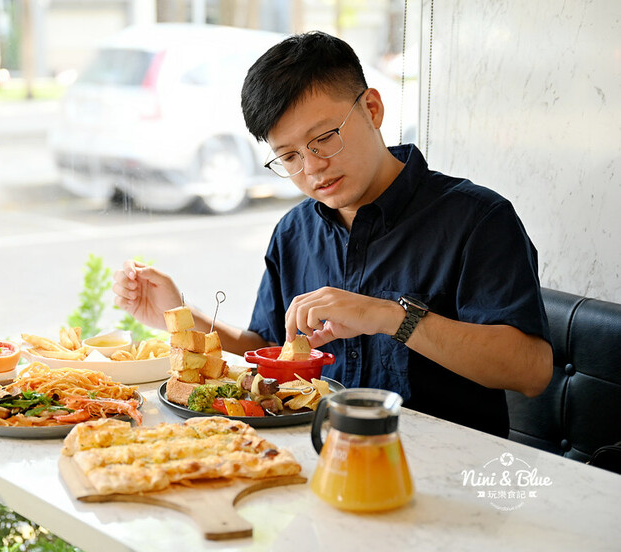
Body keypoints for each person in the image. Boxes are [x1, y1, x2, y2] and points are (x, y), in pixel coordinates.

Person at [113, 31, 552, 437]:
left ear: (372, 109)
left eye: (323, 139)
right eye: (288, 156)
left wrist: (391, 317)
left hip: (446, 477)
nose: (312, 167)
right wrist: (180, 316)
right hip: (322, 458)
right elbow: (269, 348)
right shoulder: (294, 230)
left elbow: (531, 370)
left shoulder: (478, 219)